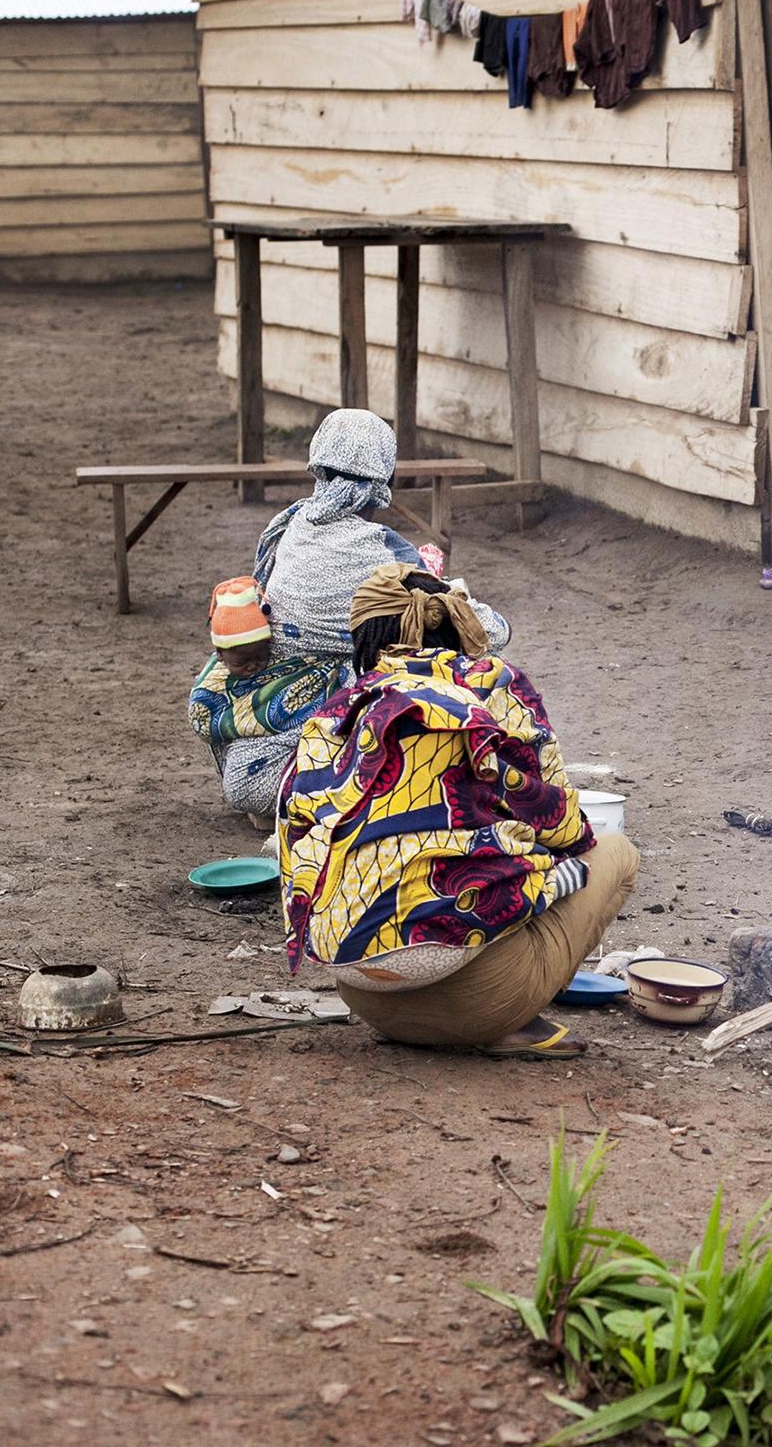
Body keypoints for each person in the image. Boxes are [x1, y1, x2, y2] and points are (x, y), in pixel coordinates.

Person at [278, 565, 637, 1058]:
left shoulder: (335, 714)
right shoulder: (492, 686)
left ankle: (433, 1017)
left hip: (366, 995)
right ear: (453, 620)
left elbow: (300, 841)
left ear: (363, 641)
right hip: (485, 1001)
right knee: (615, 854)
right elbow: (563, 825)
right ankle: (516, 1021)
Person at [255, 407, 509, 664]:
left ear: (318, 466)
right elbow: (486, 630)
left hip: (278, 667)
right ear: (385, 478)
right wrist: (500, 624)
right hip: (342, 682)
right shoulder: (384, 550)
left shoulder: (292, 523)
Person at [189, 575, 348, 820]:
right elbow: (204, 718)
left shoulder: (285, 667)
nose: (253, 667)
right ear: (221, 655)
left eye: (260, 658)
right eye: (242, 662)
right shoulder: (215, 686)